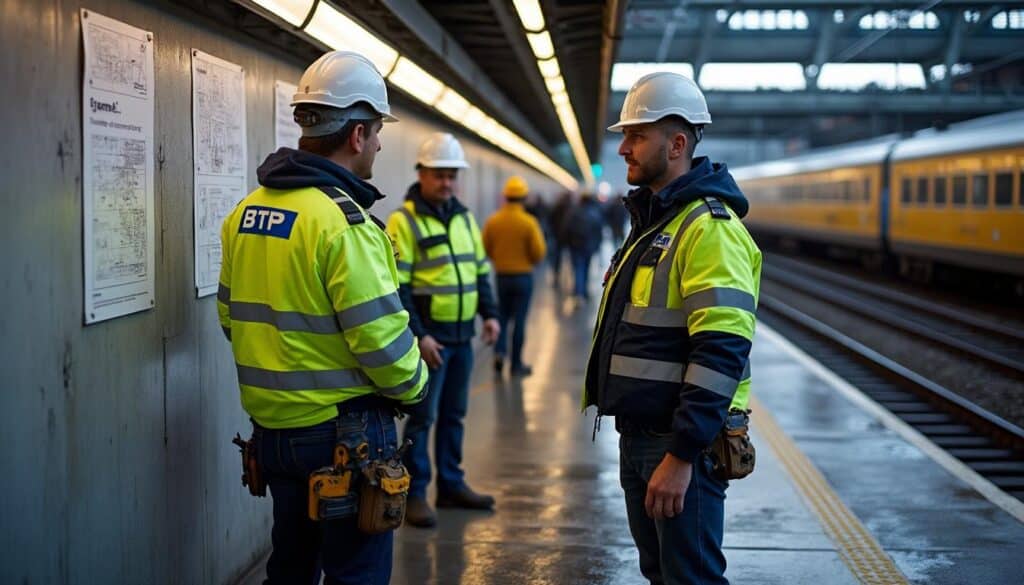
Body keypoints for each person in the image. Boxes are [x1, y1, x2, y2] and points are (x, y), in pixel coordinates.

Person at [217, 51, 427, 585]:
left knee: (289, 566)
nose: (380, 143)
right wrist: (417, 386)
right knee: (356, 571)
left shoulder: (245, 213)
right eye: (377, 131)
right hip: (344, 438)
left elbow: (230, 317)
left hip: (274, 434)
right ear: (357, 134)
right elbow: (382, 342)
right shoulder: (345, 224)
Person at [582, 71, 762, 584]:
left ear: (677, 143)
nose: (623, 148)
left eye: (636, 135)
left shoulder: (709, 229)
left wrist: (682, 455)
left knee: (691, 577)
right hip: (641, 436)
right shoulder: (657, 223)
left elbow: (721, 350)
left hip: (683, 444)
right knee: (662, 574)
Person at [386, 132, 501, 528]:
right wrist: (419, 335)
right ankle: (415, 493)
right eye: (439, 174)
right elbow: (398, 287)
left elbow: (479, 270)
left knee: (455, 415)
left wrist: (490, 314)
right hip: (430, 342)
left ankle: (451, 485)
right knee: (422, 419)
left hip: (462, 339)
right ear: (421, 173)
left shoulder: (466, 218)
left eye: (452, 175)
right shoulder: (403, 222)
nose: (447, 182)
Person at [482, 176, 547, 377]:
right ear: (524, 197)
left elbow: (486, 247)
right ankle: (516, 364)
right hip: (523, 277)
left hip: (502, 276)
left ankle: (499, 353)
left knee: (501, 316)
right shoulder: (529, 222)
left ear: (506, 196)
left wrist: (500, 260)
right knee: (519, 320)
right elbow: (539, 251)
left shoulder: (493, 221)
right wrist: (527, 261)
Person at [564, 192, 606, 300]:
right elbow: (599, 231)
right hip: (589, 246)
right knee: (586, 268)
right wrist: (597, 245)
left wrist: (567, 243)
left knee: (578, 267)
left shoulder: (574, 212)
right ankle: (584, 290)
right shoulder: (595, 213)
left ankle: (579, 292)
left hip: (575, 246)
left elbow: (567, 229)